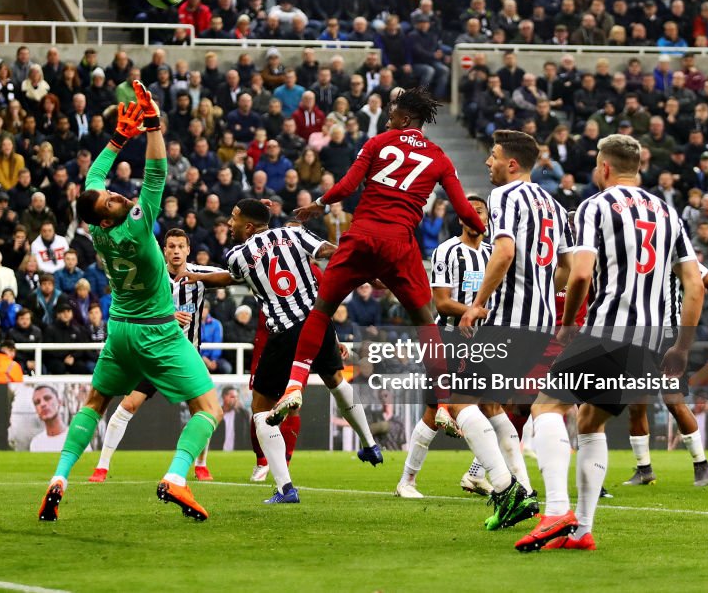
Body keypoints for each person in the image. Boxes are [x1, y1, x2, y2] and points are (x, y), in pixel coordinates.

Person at [38, 81, 223, 523]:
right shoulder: (136, 228)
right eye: (111, 200)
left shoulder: (98, 230)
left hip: (119, 330)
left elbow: (93, 180)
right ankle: (177, 476)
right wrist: (154, 123)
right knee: (208, 409)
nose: (118, 194)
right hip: (159, 329)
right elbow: (157, 174)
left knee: (95, 403)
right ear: (106, 216)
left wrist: (118, 139)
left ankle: (59, 478)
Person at [514, 134, 703, 552]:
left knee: (545, 408)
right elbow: (695, 285)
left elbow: (580, 274)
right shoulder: (669, 213)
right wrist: (683, 348)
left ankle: (556, 511)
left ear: (604, 168)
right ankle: (581, 530)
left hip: (608, 330)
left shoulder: (595, 206)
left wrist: (566, 325)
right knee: (589, 424)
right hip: (652, 339)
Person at [275, 86, 484, 440]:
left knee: (321, 311)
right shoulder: (439, 158)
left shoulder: (379, 142)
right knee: (425, 323)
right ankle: (444, 404)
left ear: (404, 119)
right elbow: (464, 209)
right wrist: (483, 228)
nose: (388, 117)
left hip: (361, 237)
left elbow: (348, 185)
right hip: (399, 246)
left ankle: (295, 385)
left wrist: (318, 204)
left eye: (392, 113)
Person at [184, 199, 381, 504]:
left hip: (285, 333)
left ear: (248, 226)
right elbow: (329, 251)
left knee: (261, 409)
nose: (229, 224)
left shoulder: (237, 254)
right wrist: (364, 267)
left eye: (234, 219)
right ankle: (369, 443)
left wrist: (199, 277)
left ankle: (285, 487)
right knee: (335, 379)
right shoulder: (295, 233)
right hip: (318, 323)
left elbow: (233, 274)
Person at [457, 130, 574, 531]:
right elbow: (566, 270)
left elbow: (504, 251)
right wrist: (543, 289)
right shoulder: (555, 206)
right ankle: (525, 490)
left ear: (511, 163)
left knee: (455, 399)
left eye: (493, 156)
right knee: (497, 406)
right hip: (542, 321)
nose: (488, 163)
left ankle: (507, 491)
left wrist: (477, 303)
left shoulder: (505, 197)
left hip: (509, 321)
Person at [88, 228, 223, 483]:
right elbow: (136, 307)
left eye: (180, 246)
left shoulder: (200, 274)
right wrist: (167, 317)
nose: (175, 251)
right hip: (152, 355)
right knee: (128, 405)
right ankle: (102, 466)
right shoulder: (151, 274)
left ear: (188, 250)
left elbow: (229, 277)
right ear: (164, 250)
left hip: (187, 357)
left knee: (203, 410)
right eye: (171, 246)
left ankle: (201, 464)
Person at [396, 195, 493, 499]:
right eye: (472, 212)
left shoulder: (494, 254)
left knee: (492, 408)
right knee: (434, 413)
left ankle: (476, 474)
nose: (477, 217)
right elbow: (442, 301)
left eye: (482, 213)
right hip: (449, 338)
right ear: (462, 218)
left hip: (484, 343)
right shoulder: (447, 251)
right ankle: (407, 481)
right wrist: (476, 311)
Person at [622, 263, 708, 488]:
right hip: (637, 337)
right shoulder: (628, 248)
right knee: (636, 403)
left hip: (668, 338)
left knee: (673, 400)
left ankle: (701, 464)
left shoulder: (672, 247)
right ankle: (644, 469)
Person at [30, 385, 69, 452]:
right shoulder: (36, 444)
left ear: (59, 402)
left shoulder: (77, 438)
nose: (42, 404)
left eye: (47, 398)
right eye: (37, 402)